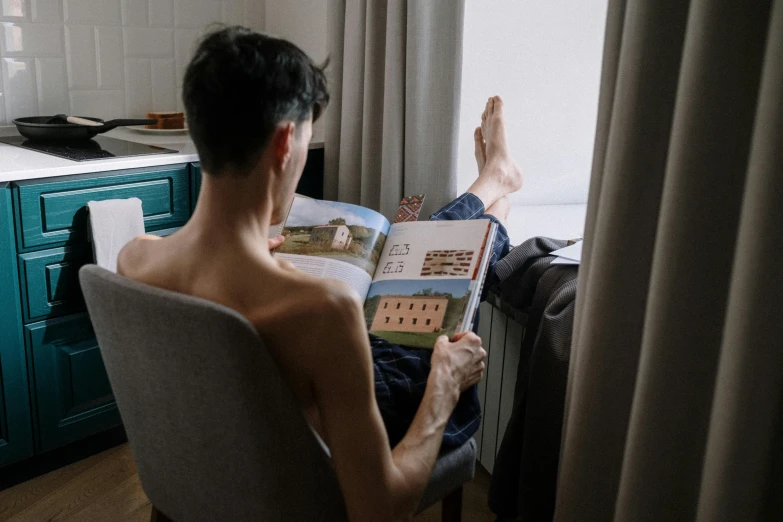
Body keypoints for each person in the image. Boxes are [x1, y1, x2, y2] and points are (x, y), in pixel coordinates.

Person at [118, 27, 523, 522]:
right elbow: (379, 510)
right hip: (342, 429)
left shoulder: (135, 258)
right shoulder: (322, 310)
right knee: (435, 272)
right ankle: (497, 193)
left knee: (414, 251)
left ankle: (494, 189)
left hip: (237, 449)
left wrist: (252, 265)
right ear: (286, 142)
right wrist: (444, 383)